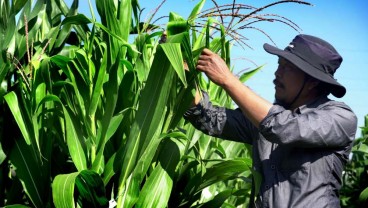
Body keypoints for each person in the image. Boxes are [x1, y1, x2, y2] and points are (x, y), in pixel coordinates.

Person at [184, 34, 357, 207]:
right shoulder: (263, 119)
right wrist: (180, 71)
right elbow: (208, 118)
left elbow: (283, 127)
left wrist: (228, 80)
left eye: (287, 68)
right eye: (279, 65)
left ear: (312, 82)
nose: (277, 73)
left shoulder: (340, 118)